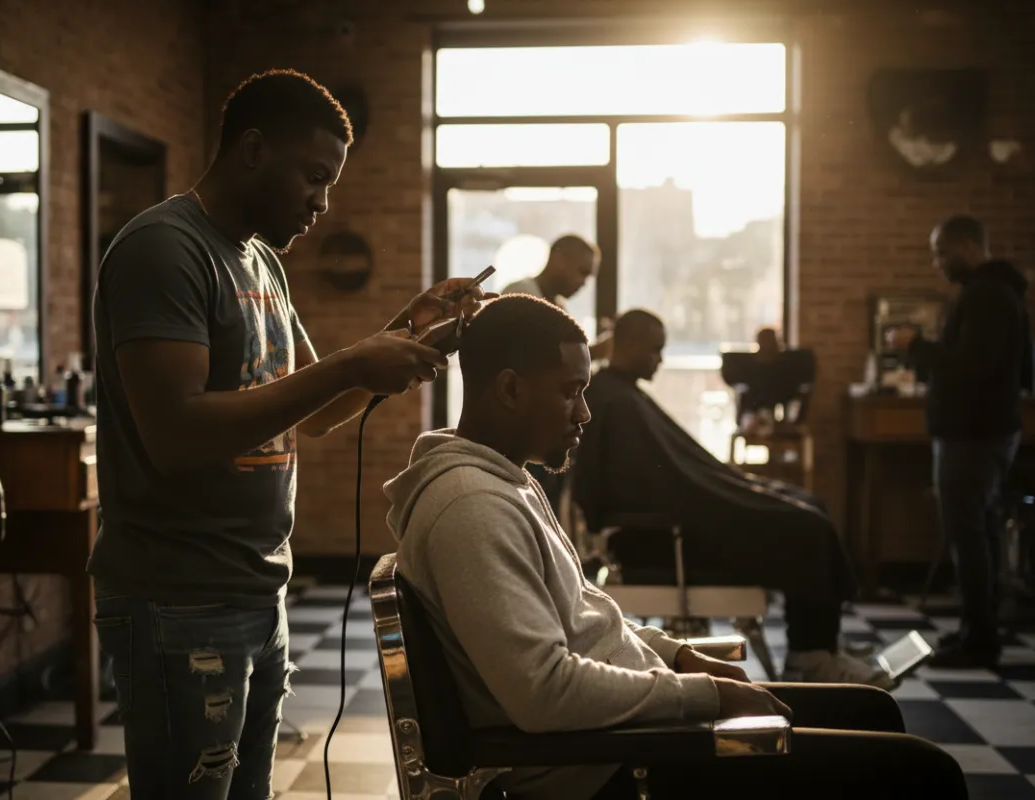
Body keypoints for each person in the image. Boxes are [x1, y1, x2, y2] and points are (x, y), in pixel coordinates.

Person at [383, 295, 967, 800]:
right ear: (509, 388)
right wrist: (704, 696)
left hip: (632, 733)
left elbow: (587, 615)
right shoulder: (471, 508)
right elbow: (544, 694)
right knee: (923, 774)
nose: (585, 413)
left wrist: (677, 654)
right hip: (615, 767)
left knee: (873, 712)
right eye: (570, 393)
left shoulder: (506, 480)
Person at [86, 69, 488, 800]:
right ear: (251, 148)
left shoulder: (261, 261)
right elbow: (173, 432)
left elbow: (319, 406)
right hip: (178, 598)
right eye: (313, 176)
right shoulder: (164, 250)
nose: (322, 202)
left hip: (254, 589)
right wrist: (352, 361)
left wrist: (409, 329)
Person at [572, 309, 891, 687]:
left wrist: (739, 488)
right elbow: (666, 484)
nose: (661, 359)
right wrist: (732, 494)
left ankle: (823, 646)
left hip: (676, 520)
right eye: (655, 349)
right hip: (659, 539)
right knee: (807, 525)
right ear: (630, 344)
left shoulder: (620, 393)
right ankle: (811, 657)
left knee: (807, 504)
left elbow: (681, 473)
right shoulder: (616, 401)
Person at [889, 215, 1033, 668]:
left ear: (969, 247)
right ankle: (978, 629)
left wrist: (915, 347)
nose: (937, 263)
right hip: (985, 431)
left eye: (942, 252)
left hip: (973, 434)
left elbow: (968, 369)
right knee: (979, 531)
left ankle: (980, 639)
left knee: (968, 533)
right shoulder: (996, 293)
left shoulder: (987, 296)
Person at [501, 234, 610, 506]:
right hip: (522, 422)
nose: (584, 283)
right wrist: (597, 352)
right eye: (582, 272)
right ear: (558, 258)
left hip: (546, 423)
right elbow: (536, 359)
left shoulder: (560, 307)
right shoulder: (521, 293)